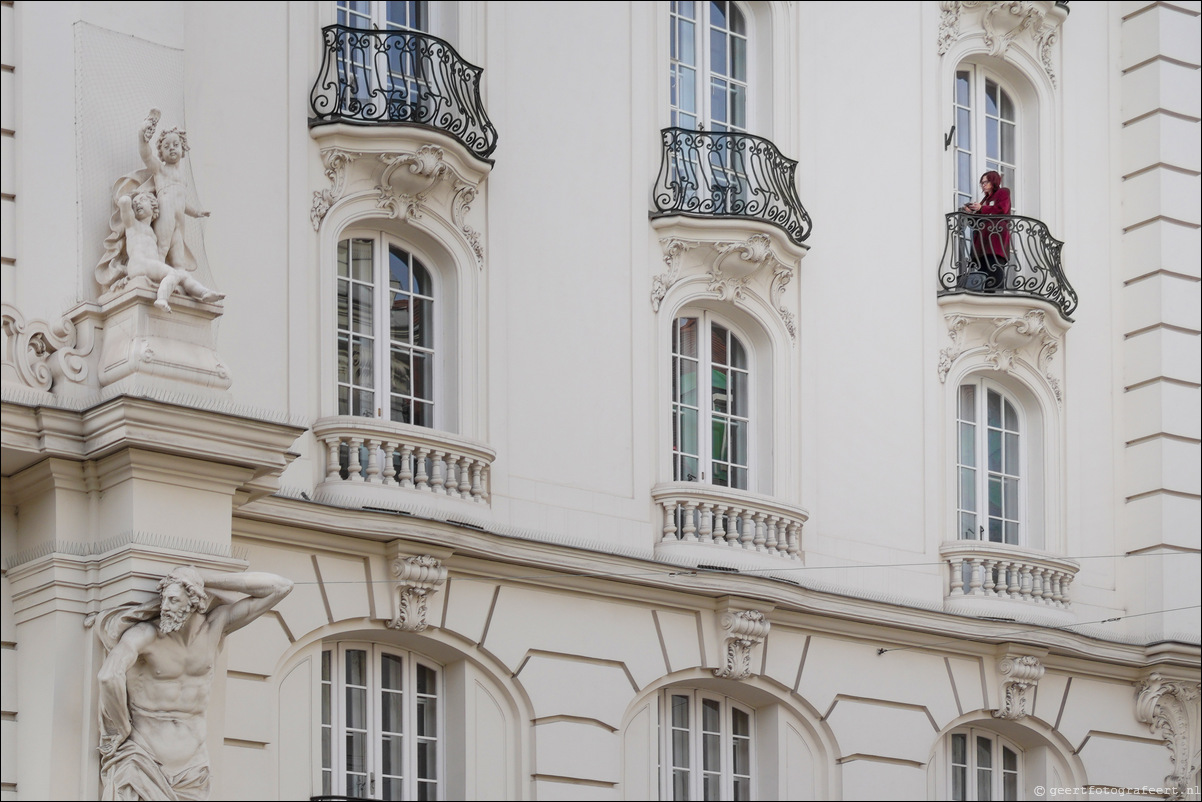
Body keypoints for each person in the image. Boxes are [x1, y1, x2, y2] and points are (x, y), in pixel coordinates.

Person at [91, 567, 293, 800]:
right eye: (165, 599)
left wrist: (201, 577)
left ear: (195, 600)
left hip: (193, 769)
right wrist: (120, 727)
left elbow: (281, 587)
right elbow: (108, 676)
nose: (165, 606)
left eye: (173, 600)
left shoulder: (217, 626)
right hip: (144, 760)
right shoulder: (145, 634)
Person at [118, 192, 224, 312]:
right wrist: (129, 198)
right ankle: (162, 298)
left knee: (183, 274)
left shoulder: (153, 233)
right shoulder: (132, 225)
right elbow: (124, 202)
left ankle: (204, 293)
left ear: (154, 206)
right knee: (174, 273)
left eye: (142, 200)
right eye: (135, 203)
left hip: (149, 265)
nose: (137, 203)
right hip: (139, 264)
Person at [138, 109, 210, 270]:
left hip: (179, 218)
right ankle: (157, 277)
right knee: (162, 247)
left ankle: (178, 282)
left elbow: (182, 202)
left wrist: (196, 212)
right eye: (166, 146)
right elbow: (146, 155)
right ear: (161, 153)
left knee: (178, 256)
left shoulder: (182, 178)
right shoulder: (160, 170)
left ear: (182, 147)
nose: (171, 148)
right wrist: (142, 137)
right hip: (166, 214)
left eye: (175, 145)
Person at [962, 170, 1011, 291]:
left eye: (986, 182)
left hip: (995, 240)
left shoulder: (1002, 192)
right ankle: (986, 294)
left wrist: (981, 208)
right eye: (982, 183)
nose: (983, 185)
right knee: (983, 271)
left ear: (994, 181)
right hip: (982, 244)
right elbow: (977, 222)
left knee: (995, 267)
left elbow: (1002, 209)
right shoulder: (984, 200)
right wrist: (971, 212)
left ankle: (996, 296)